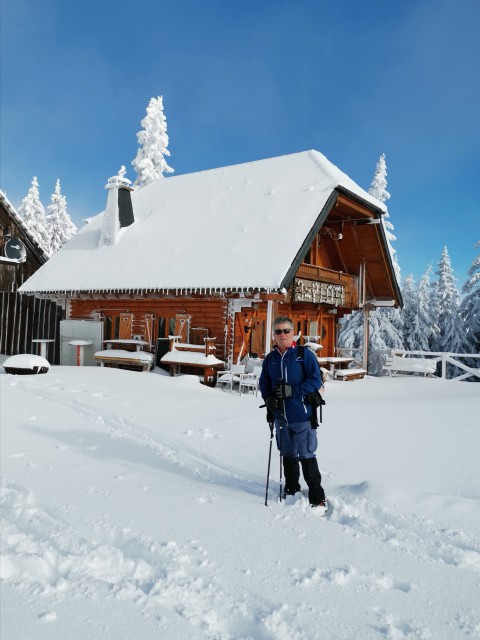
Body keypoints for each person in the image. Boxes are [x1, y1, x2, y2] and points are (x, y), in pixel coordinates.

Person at [259, 315, 327, 512]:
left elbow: (315, 380)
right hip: (280, 415)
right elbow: (263, 383)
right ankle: (292, 488)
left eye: (286, 330)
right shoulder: (271, 359)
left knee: (306, 452)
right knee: (287, 452)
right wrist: (268, 399)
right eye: (278, 331)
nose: (282, 335)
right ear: (274, 335)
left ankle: (317, 496)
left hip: (302, 414)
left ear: (293, 333)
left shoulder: (302, 354)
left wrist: (292, 391)